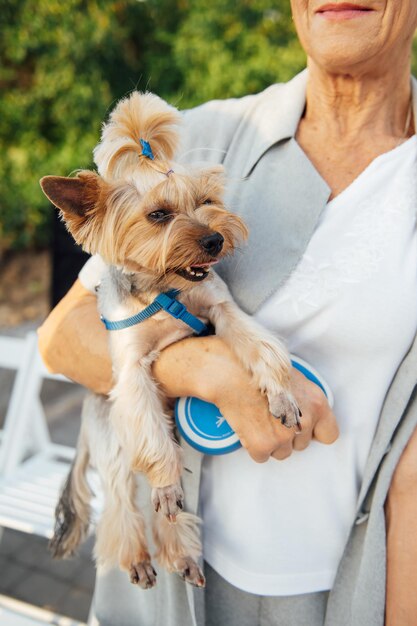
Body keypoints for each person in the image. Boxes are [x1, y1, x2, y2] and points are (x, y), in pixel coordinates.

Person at [38, 1, 417, 625]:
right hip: (172, 586)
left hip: (346, 588)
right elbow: (63, 338)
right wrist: (204, 367)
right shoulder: (192, 140)